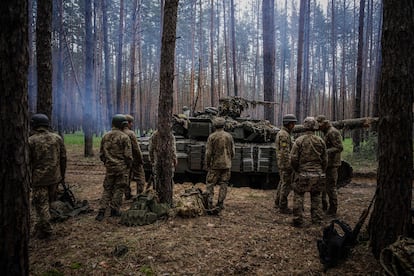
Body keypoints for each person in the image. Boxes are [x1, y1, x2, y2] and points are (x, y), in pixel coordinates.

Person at [29, 113, 67, 239]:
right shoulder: (57, 138)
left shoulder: (31, 140)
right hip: (55, 178)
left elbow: (27, 161)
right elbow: (63, 158)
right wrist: (62, 175)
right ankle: (39, 229)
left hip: (39, 179)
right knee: (47, 204)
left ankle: (48, 231)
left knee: (41, 205)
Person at [290, 117, 327, 227]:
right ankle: (317, 220)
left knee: (298, 196)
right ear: (315, 126)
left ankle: (298, 220)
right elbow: (325, 159)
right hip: (318, 173)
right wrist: (321, 170)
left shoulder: (299, 140)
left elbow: (293, 158)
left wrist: (297, 169)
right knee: (316, 197)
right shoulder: (320, 141)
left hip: (302, 173)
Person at [95, 114, 133, 221]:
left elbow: (102, 154)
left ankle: (101, 211)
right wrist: (128, 166)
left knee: (107, 189)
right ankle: (114, 210)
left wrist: (107, 163)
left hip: (110, 168)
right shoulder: (124, 137)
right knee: (119, 188)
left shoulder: (105, 136)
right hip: (122, 168)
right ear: (123, 124)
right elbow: (128, 156)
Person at [204, 117, 235, 212]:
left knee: (210, 184)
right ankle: (220, 204)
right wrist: (229, 160)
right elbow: (233, 151)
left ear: (214, 125)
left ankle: (209, 203)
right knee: (224, 184)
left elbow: (208, 153)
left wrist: (207, 164)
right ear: (224, 125)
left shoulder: (212, 137)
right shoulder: (229, 136)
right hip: (226, 164)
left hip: (215, 165)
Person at [316, 115, 343, 216]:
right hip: (327, 164)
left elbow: (339, 147)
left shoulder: (332, 132)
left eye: (320, 125)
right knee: (324, 186)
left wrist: (325, 152)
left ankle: (333, 210)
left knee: (331, 187)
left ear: (324, 123)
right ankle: (325, 207)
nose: (318, 127)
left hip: (332, 164)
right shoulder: (327, 132)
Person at [274, 114, 297, 213]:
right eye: (293, 123)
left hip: (283, 163)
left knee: (282, 182)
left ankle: (278, 202)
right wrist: (289, 165)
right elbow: (284, 152)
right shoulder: (283, 134)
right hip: (285, 164)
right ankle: (282, 207)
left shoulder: (285, 133)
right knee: (286, 184)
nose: (294, 125)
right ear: (288, 124)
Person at [123, 114, 146, 199]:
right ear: (128, 123)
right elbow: (136, 148)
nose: (132, 125)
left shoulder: (118, 132)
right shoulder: (130, 133)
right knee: (140, 177)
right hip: (134, 159)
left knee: (126, 178)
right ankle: (139, 195)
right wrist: (140, 159)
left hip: (123, 160)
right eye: (131, 123)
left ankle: (127, 195)